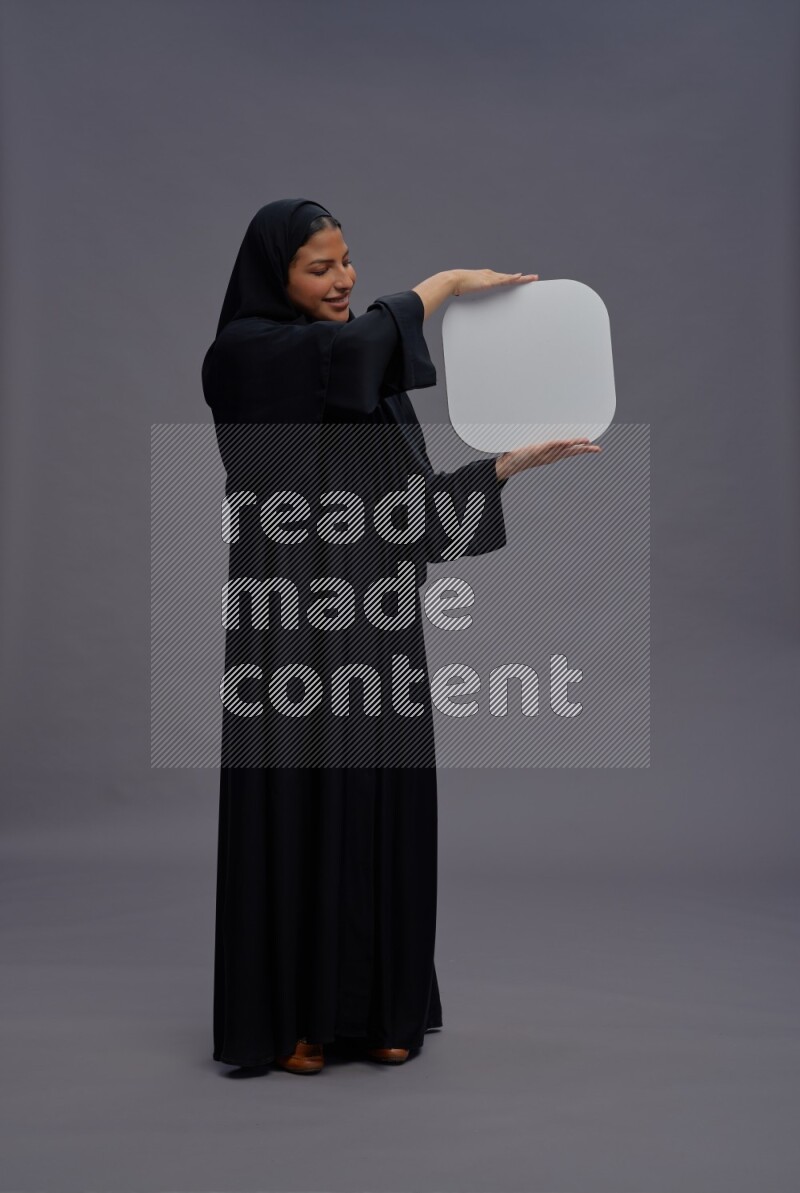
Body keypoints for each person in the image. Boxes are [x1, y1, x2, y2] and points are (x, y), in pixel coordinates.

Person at [201, 198, 600, 1075]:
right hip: (289, 634)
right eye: (319, 266)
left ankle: (379, 1007)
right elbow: (345, 356)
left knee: (379, 803)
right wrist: (445, 287)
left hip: (376, 626)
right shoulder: (243, 358)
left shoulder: (370, 390)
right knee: (300, 803)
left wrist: (506, 470)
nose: (343, 279)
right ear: (277, 276)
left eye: (347, 260)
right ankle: (298, 1018)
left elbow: (417, 525)